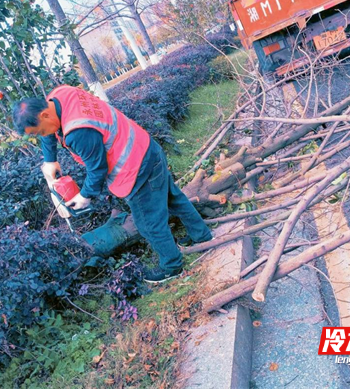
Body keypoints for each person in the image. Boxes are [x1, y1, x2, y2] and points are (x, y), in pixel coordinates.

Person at [12, 85, 213, 283]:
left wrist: (85, 196)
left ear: (45, 115)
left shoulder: (78, 132)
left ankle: (172, 266)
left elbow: (97, 168)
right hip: (146, 147)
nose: (42, 135)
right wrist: (50, 160)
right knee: (173, 199)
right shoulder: (60, 94)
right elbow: (49, 131)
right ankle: (201, 235)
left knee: (148, 223)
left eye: (39, 131)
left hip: (136, 169)